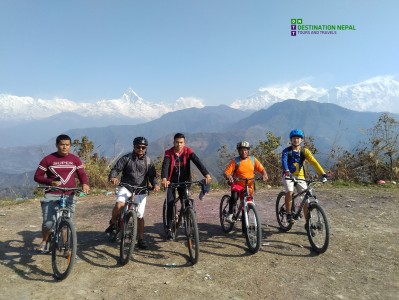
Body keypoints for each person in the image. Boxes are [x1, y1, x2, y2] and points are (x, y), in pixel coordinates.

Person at [33, 134, 90, 252]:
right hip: (52, 194)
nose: (64, 147)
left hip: (70, 194)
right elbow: (37, 176)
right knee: (48, 223)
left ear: (70, 146)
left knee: (66, 221)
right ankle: (45, 240)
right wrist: (50, 182)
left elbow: (82, 174)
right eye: (62, 145)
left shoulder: (75, 159)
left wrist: (85, 183)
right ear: (57, 145)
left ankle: (66, 246)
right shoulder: (48, 159)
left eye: (67, 145)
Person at [105, 136, 160, 250]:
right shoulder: (126, 158)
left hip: (141, 190)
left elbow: (152, 176)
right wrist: (113, 177)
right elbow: (116, 169)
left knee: (139, 216)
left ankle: (140, 239)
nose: (140, 149)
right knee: (119, 205)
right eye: (138, 147)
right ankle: (113, 223)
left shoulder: (148, 161)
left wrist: (155, 184)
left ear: (146, 148)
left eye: (143, 147)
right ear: (134, 147)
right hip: (126, 186)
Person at [161, 133, 212, 240]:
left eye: (181, 142)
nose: (179, 144)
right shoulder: (168, 153)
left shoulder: (188, 151)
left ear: (184, 143)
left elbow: (198, 162)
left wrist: (206, 174)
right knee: (170, 203)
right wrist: (164, 178)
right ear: (173, 142)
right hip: (171, 182)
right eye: (177, 142)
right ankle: (169, 227)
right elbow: (165, 165)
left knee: (186, 201)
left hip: (185, 182)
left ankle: (189, 221)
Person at [281, 129, 328, 224]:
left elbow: (314, 162)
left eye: (298, 138)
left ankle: (308, 224)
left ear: (301, 140)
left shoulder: (304, 151)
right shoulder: (286, 151)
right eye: (294, 138)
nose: (296, 140)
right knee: (289, 192)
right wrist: (286, 171)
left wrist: (322, 174)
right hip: (288, 176)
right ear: (291, 139)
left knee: (305, 199)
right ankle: (288, 213)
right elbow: (284, 161)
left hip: (300, 177)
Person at [223, 141, 269, 223]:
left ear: (248, 151)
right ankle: (230, 214)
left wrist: (264, 174)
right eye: (241, 150)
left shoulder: (253, 160)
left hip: (249, 186)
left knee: (246, 206)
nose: (243, 152)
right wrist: (229, 176)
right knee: (234, 197)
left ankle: (245, 230)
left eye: (245, 150)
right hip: (237, 185)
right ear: (238, 151)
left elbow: (261, 169)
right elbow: (226, 172)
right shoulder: (235, 161)